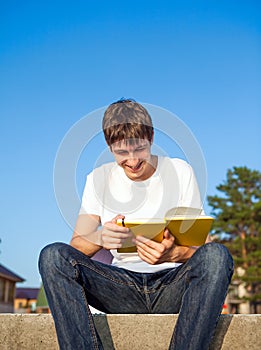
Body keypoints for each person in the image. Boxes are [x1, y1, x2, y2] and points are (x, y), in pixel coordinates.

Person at [39, 99, 234, 350]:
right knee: (52, 256)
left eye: (139, 149)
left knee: (218, 255)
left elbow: (203, 248)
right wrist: (100, 238)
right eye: (122, 152)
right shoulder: (99, 179)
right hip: (118, 288)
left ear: (151, 137)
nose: (132, 161)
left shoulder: (180, 171)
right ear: (109, 147)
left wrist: (172, 253)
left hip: (172, 285)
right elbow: (74, 248)